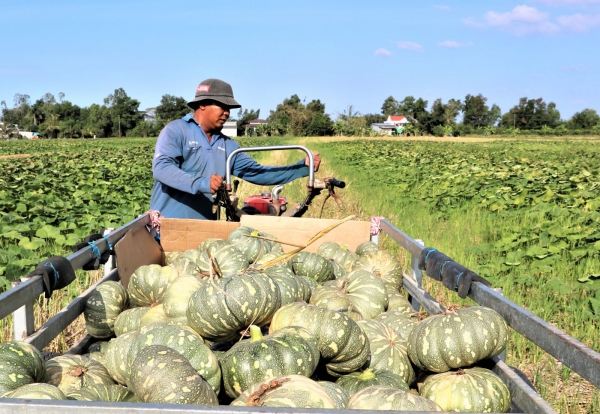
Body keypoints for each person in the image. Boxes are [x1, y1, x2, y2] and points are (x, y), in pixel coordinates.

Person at [149, 78, 321, 220]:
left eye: (229, 109)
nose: (227, 113)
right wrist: (202, 183)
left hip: (205, 231)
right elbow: (162, 169)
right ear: (202, 104)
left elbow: (258, 173)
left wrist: (303, 167)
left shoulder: (228, 145)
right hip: (167, 226)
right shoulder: (176, 130)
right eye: (222, 106)